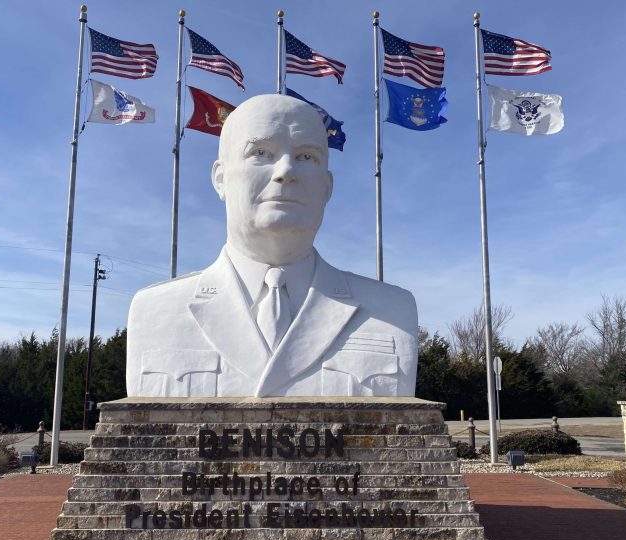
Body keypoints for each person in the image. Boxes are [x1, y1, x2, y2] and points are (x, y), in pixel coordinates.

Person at [127, 94, 418, 397]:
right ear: (221, 179)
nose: (286, 171)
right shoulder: (154, 310)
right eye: (261, 152)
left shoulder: (393, 311)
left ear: (327, 187)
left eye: (306, 157)